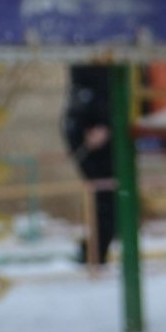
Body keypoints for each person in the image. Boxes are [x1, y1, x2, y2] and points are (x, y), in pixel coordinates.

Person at [62, 64, 116, 264]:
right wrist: (102, 123)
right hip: (94, 138)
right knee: (107, 200)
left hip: (93, 134)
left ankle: (94, 252)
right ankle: (94, 253)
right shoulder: (90, 73)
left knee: (107, 200)